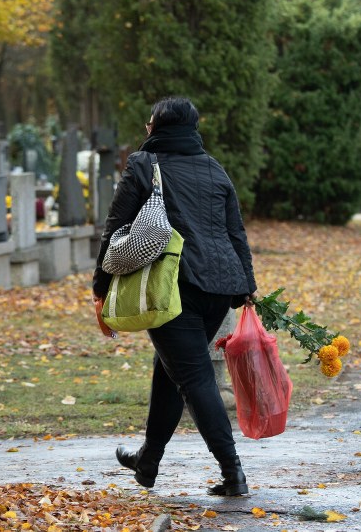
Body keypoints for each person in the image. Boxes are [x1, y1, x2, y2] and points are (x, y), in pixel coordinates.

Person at [92, 97, 258, 497]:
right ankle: (147, 461)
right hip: (219, 288)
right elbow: (236, 232)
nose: (146, 128)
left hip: (174, 286)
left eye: (149, 123)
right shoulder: (215, 168)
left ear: (157, 128)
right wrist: (246, 287)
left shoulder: (144, 165)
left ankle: (233, 472)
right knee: (171, 369)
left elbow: (115, 227)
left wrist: (100, 289)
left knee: (194, 377)